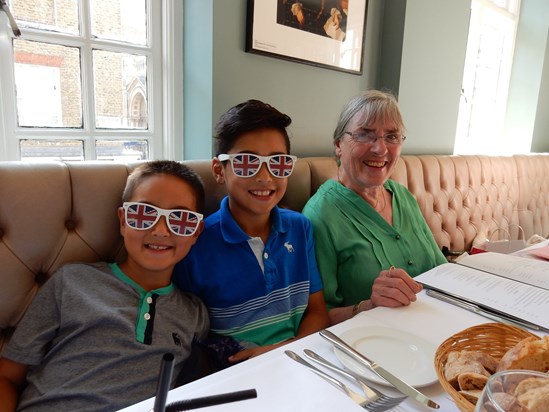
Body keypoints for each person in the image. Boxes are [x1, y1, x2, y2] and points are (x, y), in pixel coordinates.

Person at [0, 161, 209, 411]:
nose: (161, 230)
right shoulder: (71, 281)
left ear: (196, 232)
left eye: (181, 219)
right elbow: (7, 376)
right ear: (123, 221)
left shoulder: (195, 314)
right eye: (143, 214)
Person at [173, 99, 330, 366]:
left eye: (278, 162)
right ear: (219, 170)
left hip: (303, 360)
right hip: (235, 374)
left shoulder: (300, 227)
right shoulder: (196, 244)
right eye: (247, 162)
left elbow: (317, 311)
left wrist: (286, 350)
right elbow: (190, 339)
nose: (265, 176)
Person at [302, 90, 447, 325]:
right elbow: (317, 318)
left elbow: (441, 270)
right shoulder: (320, 216)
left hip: (434, 325)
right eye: (364, 135)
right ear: (338, 144)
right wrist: (368, 305)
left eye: (392, 136)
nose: (380, 149)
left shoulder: (402, 196)